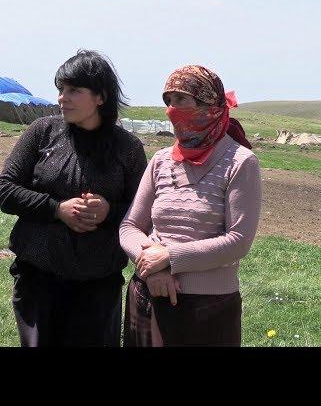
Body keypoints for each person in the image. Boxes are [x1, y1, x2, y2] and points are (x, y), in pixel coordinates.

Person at [0, 49, 147, 346]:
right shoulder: (42, 132)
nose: (61, 98)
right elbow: (5, 189)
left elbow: (144, 209)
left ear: (100, 97)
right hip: (38, 277)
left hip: (98, 283)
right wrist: (57, 209)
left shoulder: (127, 148)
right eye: (60, 90)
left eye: (73, 90)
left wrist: (109, 211)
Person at [120, 64, 261, 347]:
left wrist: (170, 257)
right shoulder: (160, 160)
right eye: (168, 102)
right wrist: (154, 268)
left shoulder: (240, 162)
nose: (172, 109)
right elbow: (130, 226)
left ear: (209, 105)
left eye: (181, 100)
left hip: (207, 309)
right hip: (148, 296)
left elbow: (238, 241)